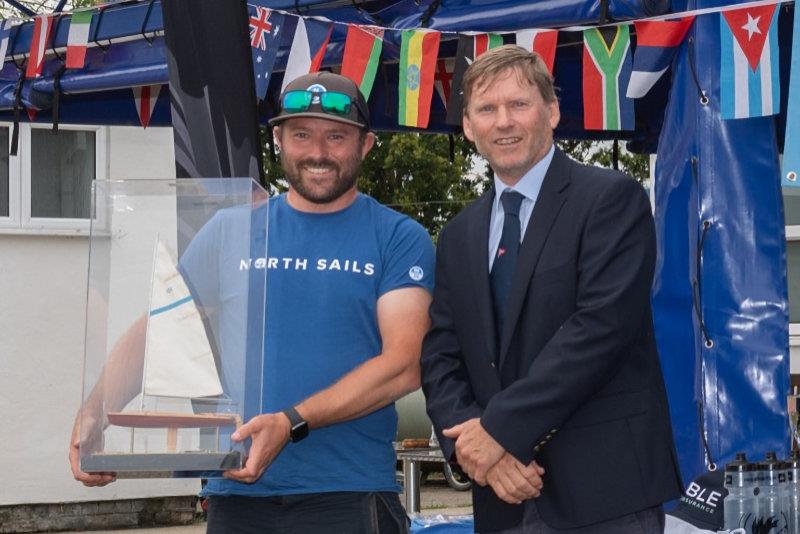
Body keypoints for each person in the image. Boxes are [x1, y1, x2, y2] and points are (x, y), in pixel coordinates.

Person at [70, 71, 435, 534]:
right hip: (235, 492)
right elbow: (157, 329)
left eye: (336, 136)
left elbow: (403, 363)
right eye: (302, 134)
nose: (318, 152)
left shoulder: (398, 238)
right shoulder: (229, 231)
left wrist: (290, 422)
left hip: (347, 493)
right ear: (278, 139)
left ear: (365, 146)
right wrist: (93, 415)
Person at [420, 45, 683, 533]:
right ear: (469, 126)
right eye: (486, 109)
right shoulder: (459, 234)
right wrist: (475, 451)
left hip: (606, 495)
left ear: (552, 111)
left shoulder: (610, 199)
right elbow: (441, 356)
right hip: (500, 496)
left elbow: (598, 331)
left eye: (518, 104)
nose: (504, 121)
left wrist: (497, 432)